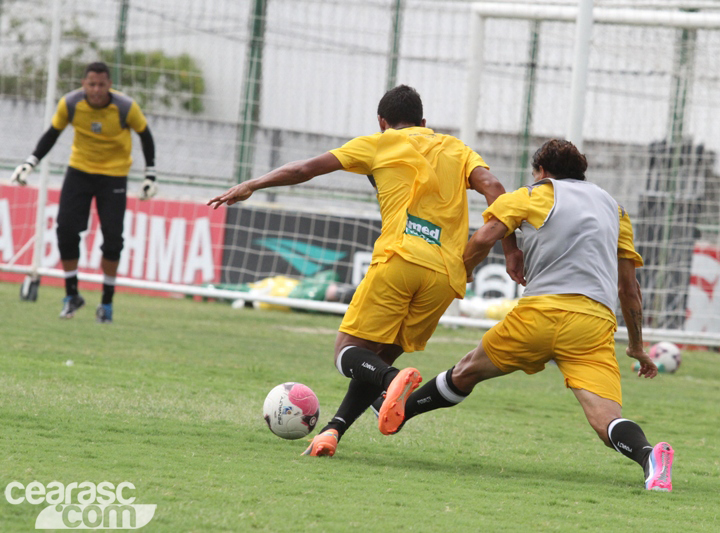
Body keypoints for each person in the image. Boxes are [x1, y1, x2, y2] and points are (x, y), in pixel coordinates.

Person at [208, 85, 522, 457]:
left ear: (382, 122)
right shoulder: (456, 148)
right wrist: (511, 250)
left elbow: (304, 169)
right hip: (445, 276)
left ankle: (392, 383)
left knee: (348, 354)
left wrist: (251, 184)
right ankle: (331, 433)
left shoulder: (379, 142)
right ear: (424, 123)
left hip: (400, 259)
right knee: (376, 360)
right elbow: (495, 187)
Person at [380, 139, 674, 492]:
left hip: (540, 314)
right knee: (606, 420)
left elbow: (483, 237)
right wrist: (638, 347)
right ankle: (648, 458)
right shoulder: (615, 209)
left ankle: (398, 412)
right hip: (593, 323)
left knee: (466, 370)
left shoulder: (532, 195)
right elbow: (630, 290)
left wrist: (466, 271)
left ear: (543, 172)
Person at [10, 61, 158, 323]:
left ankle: (107, 303)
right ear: (84, 84)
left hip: (114, 175)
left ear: (109, 85)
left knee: (113, 239)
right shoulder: (70, 104)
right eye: (92, 84)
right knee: (66, 230)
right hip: (79, 172)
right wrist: (30, 162)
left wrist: (150, 175)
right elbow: (52, 134)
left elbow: (146, 136)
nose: (97, 89)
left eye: (101, 84)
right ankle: (71, 296)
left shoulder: (126, 107)